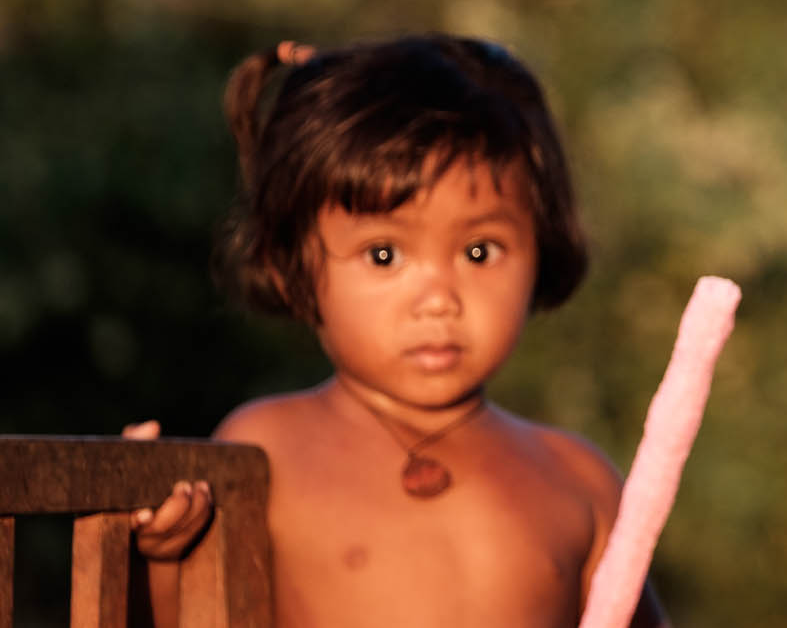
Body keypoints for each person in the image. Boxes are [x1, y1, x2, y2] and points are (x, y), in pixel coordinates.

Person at [132, 34, 666, 628]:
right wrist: (168, 556)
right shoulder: (265, 451)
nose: (439, 300)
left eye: (480, 251)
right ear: (289, 272)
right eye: (384, 255)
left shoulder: (580, 481)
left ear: (541, 249)